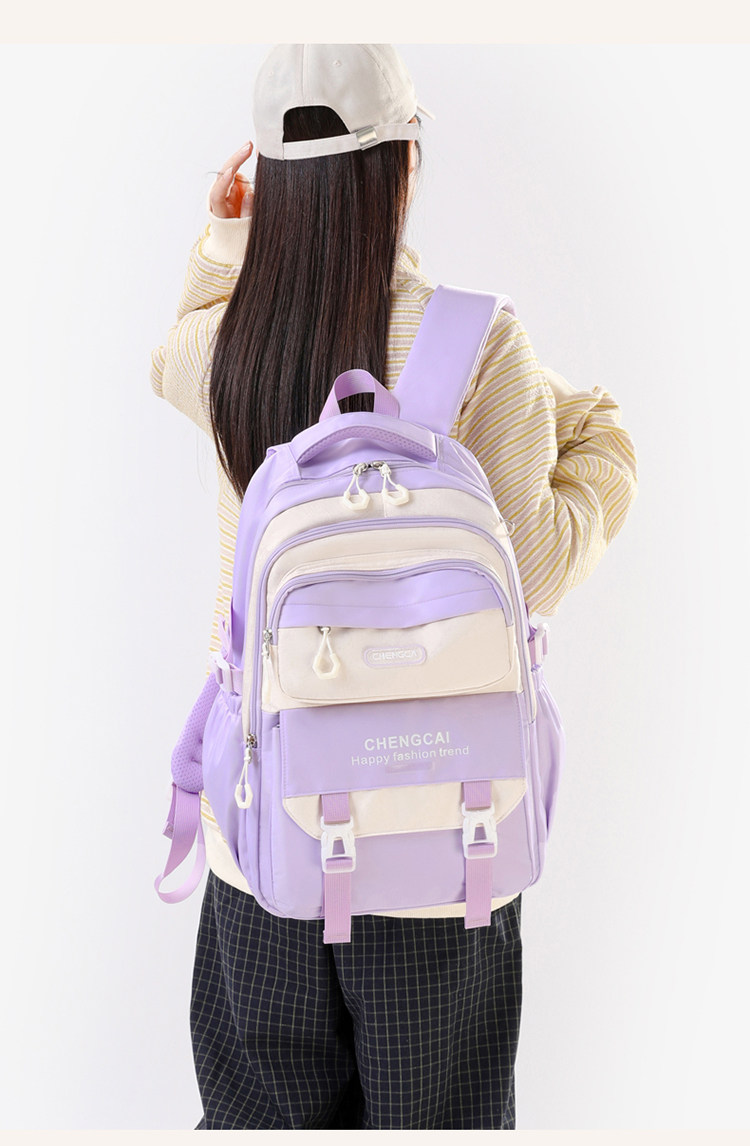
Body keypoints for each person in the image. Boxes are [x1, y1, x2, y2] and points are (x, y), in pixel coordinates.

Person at [150, 43, 638, 1132]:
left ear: (269, 181)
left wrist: (226, 242)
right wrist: (601, 450)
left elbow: (167, 347)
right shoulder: (483, 341)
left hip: (262, 836)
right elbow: (534, 570)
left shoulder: (223, 348)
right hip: (441, 848)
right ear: (404, 164)